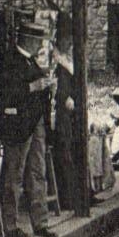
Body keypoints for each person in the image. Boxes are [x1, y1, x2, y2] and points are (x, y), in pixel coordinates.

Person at [0, 21, 56, 237]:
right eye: (38, 41)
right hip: (18, 127)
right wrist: (34, 87)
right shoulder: (10, 60)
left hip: (35, 124)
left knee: (37, 173)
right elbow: (6, 92)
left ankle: (40, 222)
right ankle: (10, 224)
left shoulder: (30, 61)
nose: (40, 46)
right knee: (14, 175)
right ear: (28, 40)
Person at [50, 26, 78, 212]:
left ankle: (78, 194)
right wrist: (64, 98)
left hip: (71, 114)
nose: (69, 43)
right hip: (60, 115)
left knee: (74, 153)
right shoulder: (55, 61)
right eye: (66, 39)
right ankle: (67, 197)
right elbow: (55, 89)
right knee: (64, 155)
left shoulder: (67, 59)